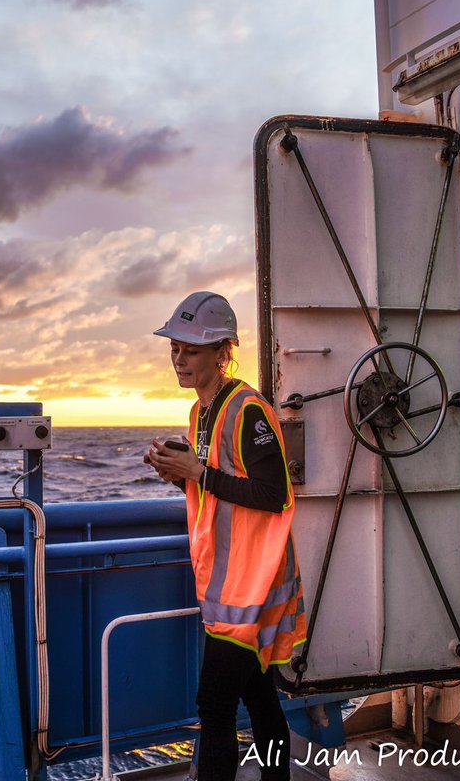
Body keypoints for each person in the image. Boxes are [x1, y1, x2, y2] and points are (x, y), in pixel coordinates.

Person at [145, 291, 306, 781]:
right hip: (229, 583)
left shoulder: (247, 410)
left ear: (222, 352)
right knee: (259, 699)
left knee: (214, 706)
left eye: (190, 349)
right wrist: (180, 472)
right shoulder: (201, 413)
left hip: (252, 585)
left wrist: (198, 471)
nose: (179, 358)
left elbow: (273, 492)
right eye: (175, 348)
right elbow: (214, 476)